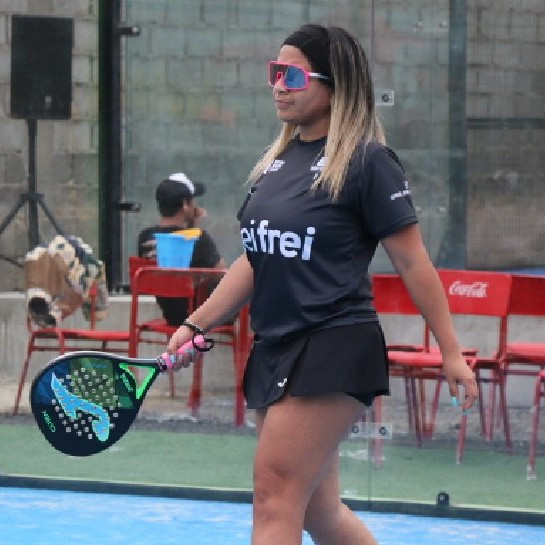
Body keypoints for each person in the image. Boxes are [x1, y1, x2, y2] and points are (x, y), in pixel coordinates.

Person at [167, 24, 478, 545]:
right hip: (276, 347)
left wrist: (451, 353)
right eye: (275, 73)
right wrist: (196, 324)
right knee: (318, 511)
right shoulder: (278, 162)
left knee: (273, 496)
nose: (278, 86)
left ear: (335, 86)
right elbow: (257, 257)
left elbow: (413, 263)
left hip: (333, 344)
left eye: (292, 76)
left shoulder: (368, 162)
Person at [137, 172, 226, 326]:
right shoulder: (198, 238)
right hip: (198, 317)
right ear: (185, 205)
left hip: (169, 313)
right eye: (192, 202)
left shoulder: (145, 237)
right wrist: (195, 228)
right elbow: (224, 276)